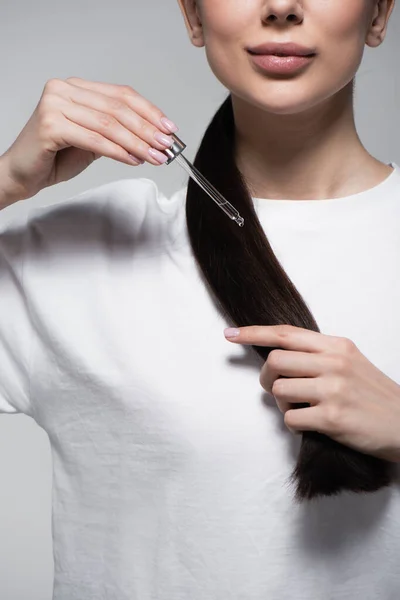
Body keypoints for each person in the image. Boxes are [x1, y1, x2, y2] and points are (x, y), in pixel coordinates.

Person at [0, 0, 399, 598]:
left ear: (378, 15)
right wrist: (4, 180)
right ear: (192, 15)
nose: (282, 7)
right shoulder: (85, 251)